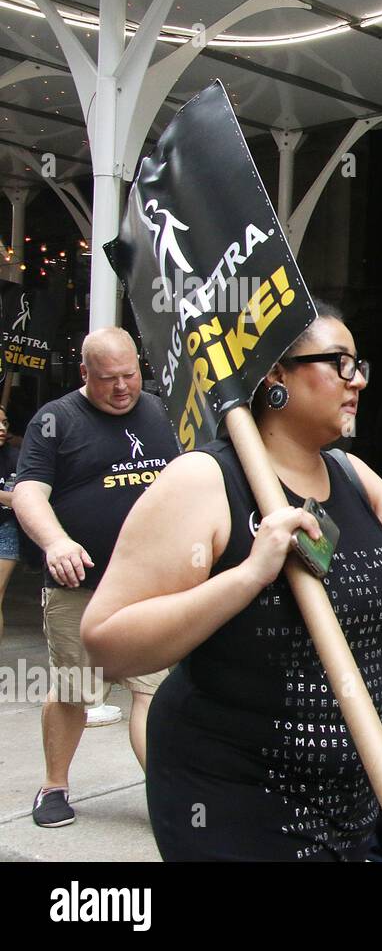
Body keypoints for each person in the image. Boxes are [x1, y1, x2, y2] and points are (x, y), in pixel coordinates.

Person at [81, 307, 382, 860]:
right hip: (237, 803)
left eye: (357, 364)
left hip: (356, 799)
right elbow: (105, 645)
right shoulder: (205, 480)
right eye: (337, 363)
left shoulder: (350, 474)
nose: (356, 379)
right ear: (276, 375)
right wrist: (248, 575)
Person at [13, 328, 179, 828]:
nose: (124, 387)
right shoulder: (55, 420)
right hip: (78, 587)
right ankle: (54, 786)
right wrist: (56, 542)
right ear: (85, 373)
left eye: (130, 374)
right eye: (109, 379)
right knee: (72, 688)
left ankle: (165, 795)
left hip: (147, 586)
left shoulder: (159, 410)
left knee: (152, 691)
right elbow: (27, 493)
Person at [0, 404, 22, 646]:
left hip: (4, 528)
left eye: (4, 423)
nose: (2, 428)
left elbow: (18, 498)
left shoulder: (14, 457)